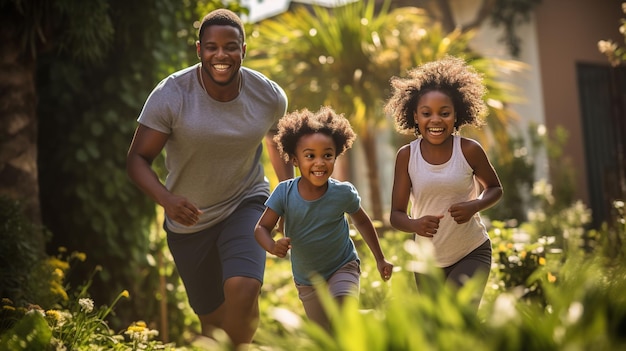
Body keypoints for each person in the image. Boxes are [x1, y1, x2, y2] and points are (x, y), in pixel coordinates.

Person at [126, 8, 293, 347]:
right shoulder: (172, 95)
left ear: (243, 50)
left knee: (243, 290)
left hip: (246, 202)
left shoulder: (268, 96)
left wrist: (286, 203)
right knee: (212, 323)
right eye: (212, 47)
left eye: (231, 46)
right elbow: (137, 160)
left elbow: (278, 148)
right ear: (199, 50)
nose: (222, 55)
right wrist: (167, 200)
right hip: (190, 221)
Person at [254, 106, 394, 332]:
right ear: (295, 160)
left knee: (343, 317)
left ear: (336, 156)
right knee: (326, 334)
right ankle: (366, 319)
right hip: (307, 280)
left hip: (343, 266)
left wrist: (380, 258)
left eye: (327, 155)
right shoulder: (284, 193)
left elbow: (363, 221)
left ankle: (360, 322)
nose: (320, 162)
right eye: (310, 156)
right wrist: (271, 245)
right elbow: (261, 227)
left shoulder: (342, 193)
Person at [384, 56, 503, 308]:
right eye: (427, 113)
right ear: (415, 116)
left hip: (472, 250)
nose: (435, 120)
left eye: (444, 113)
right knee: (438, 335)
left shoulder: (469, 150)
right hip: (427, 261)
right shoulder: (407, 156)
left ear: (456, 115)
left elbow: (494, 188)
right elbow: (396, 215)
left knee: (460, 317)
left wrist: (475, 205)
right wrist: (415, 225)